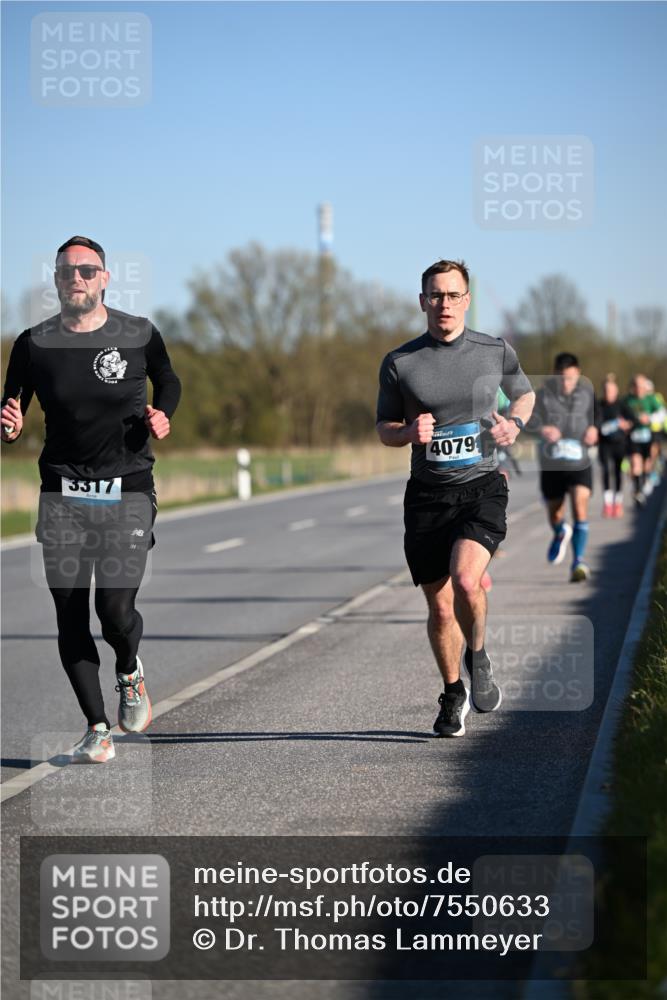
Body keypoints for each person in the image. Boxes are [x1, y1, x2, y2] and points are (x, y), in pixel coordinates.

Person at [1, 236, 181, 763]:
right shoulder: (33, 344)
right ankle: (97, 727)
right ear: (56, 280)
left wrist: (163, 413)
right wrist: (9, 425)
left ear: (105, 278)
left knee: (114, 609)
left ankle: (129, 670)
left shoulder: (138, 334)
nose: (75, 278)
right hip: (62, 495)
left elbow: (168, 379)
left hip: (127, 490)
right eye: (66, 271)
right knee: (70, 614)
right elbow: (11, 404)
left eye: (86, 270)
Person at [376, 259, 534, 738]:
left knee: (467, 580)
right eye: (435, 295)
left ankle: (478, 656)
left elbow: (524, 395)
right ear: (422, 301)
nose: (444, 303)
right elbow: (384, 428)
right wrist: (407, 432)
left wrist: (514, 424)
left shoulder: (494, 350)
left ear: (467, 299)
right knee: (441, 607)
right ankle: (452, 692)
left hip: (481, 488)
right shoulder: (400, 362)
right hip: (427, 497)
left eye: (452, 295)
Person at [529, 353, 597, 582]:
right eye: (562, 378)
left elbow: (599, 418)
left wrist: (594, 429)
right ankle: (560, 531)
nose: (566, 383)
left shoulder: (587, 394)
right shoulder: (542, 396)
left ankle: (578, 562)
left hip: (580, 463)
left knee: (579, 506)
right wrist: (542, 429)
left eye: (570, 378)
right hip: (552, 465)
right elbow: (528, 422)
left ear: (578, 374)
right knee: (555, 513)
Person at [595, 374, 633, 517]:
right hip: (604, 444)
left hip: (620, 444)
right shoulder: (599, 406)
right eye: (606, 391)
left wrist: (627, 424)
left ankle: (618, 503)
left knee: (618, 472)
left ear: (616, 392)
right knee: (605, 471)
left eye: (611, 391)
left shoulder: (622, 405)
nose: (608, 394)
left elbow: (633, 420)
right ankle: (607, 503)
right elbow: (594, 423)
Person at [623, 374, 663, 506]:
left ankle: (643, 486)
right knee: (636, 464)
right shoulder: (628, 400)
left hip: (649, 435)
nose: (639, 389)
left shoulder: (651, 399)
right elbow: (620, 414)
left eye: (641, 386)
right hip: (634, 437)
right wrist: (625, 423)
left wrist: (649, 418)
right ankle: (638, 491)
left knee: (647, 465)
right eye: (636, 386)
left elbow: (662, 414)